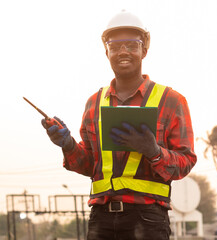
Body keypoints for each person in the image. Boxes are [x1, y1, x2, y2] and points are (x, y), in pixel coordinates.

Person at [41, 10, 197, 239]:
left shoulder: (172, 101)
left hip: (149, 219)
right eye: (115, 46)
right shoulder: (94, 103)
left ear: (144, 49)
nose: (123, 52)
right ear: (106, 51)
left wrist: (153, 152)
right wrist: (68, 145)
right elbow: (90, 165)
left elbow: (185, 161)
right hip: (101, 219)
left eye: (131, 45)